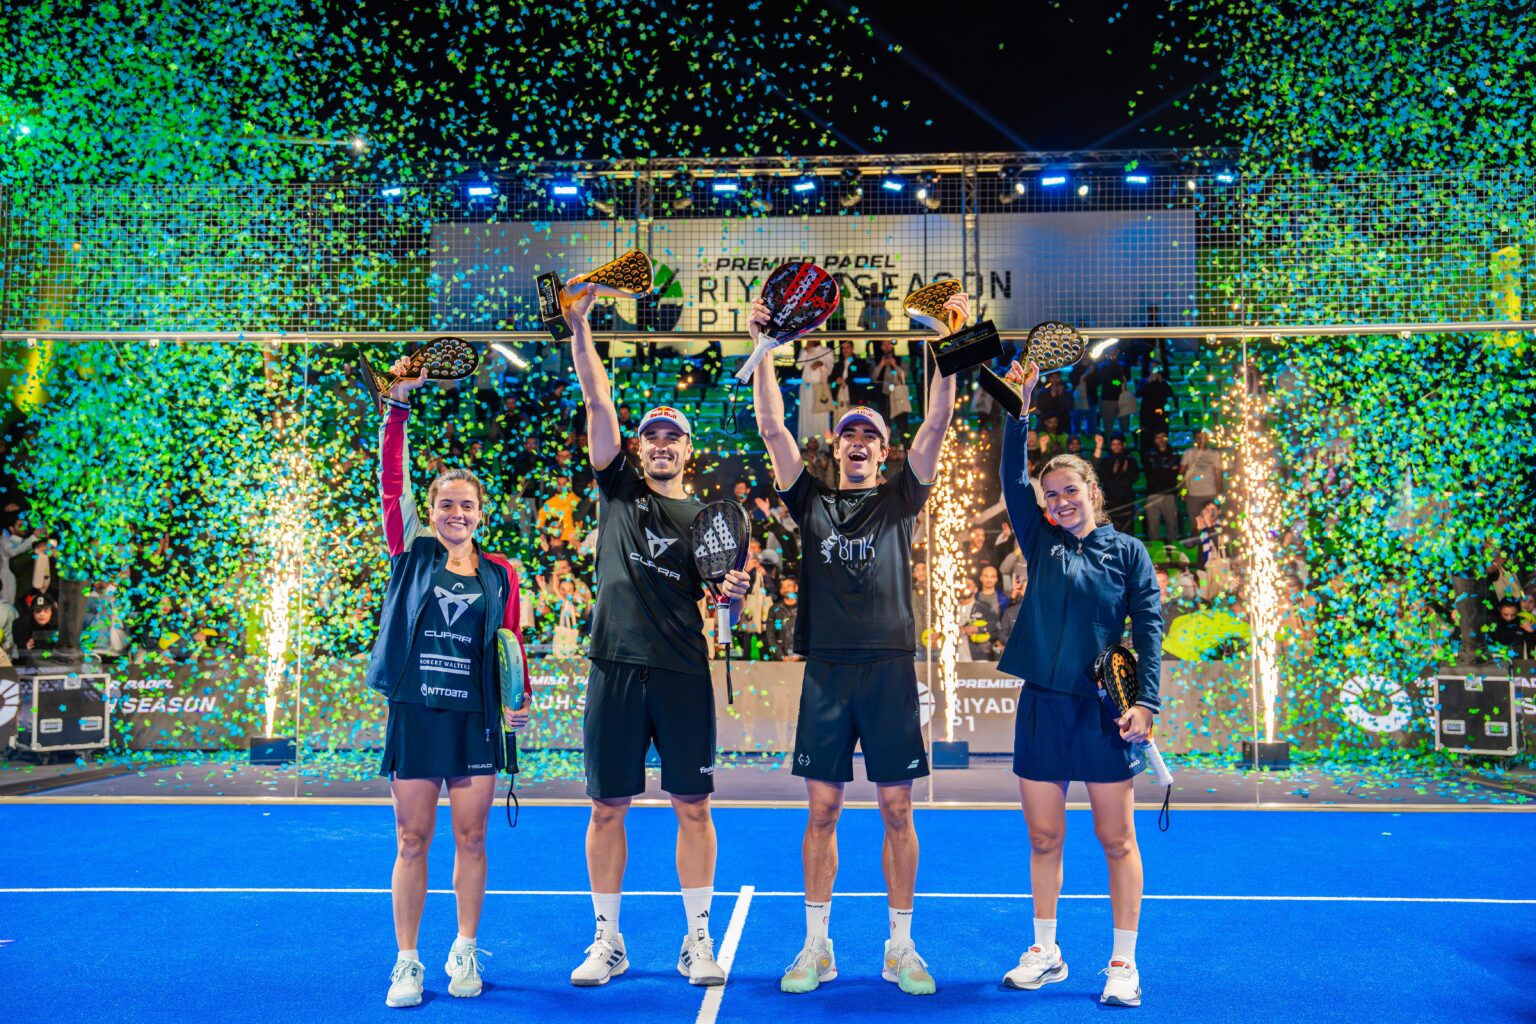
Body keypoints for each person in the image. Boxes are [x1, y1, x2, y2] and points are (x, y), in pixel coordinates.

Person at [748, 290, 963, 997]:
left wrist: (948, 339)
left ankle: (900, 948)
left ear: (883, 449)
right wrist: (764, 348)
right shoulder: (810, 499)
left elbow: (938, 418)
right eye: (850, 435)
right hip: (829, 672)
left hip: (891, 668)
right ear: (836, 447)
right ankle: (817, 946)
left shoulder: (902, 497)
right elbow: (773, 428)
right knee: (822, 810)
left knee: (898, 809)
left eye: (871, 434)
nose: (861, 442)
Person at [565, 282, 751, 989]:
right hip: (614, 666)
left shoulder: (706, 519)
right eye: (653, 436)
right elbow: (596, 400)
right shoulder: (617, 488)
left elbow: (723, 603)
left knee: (693, 807)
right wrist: (581, 327)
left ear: (688, 451)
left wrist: (733, 597)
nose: (662, 444)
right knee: (606, 806)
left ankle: (697, 940)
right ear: (638, 448)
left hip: (681, 670)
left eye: (673, 437)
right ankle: (608, 941)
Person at [996, 359, 1163, 1008]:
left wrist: (1145, 701)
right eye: (1051, 495)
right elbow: (1012, 476)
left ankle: (1123, 962)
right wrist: (1021, 409)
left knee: (1116, 840)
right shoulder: (1040, 540)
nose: (1060, 501)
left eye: (1070, 490)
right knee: (1044, 838)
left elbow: (1149, 630)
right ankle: (1046, 951)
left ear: (1092, 490)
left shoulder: (1129, 553)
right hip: (1042, 708)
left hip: (1103, 715)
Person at [366, 359, 533, 1009]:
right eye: (445, 503)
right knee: (411, 840)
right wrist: (398, 407)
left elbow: (509, 642)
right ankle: (407, 962)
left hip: (476, 720)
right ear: (430, 512)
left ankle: (464, 948)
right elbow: (391, 482)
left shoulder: (501, 572)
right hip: (416, 712)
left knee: (472, 838)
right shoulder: (410, 554)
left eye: (467, 504)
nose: (456, 512)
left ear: (480, 514)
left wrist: (520, 700)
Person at [1180, 431, 1224, 527]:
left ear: (1207, 439)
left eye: (1203, 437)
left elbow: (1218, 475)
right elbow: (1180, 475)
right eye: (1199, 438)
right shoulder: (1189, 453)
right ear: (1196, 440)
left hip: (1211, 494)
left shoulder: (1215, 454)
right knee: (1196, 525)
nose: (1201, 440)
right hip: (1193, 495)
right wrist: (1183, 493)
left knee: (1212, 523)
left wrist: (1218, 494)